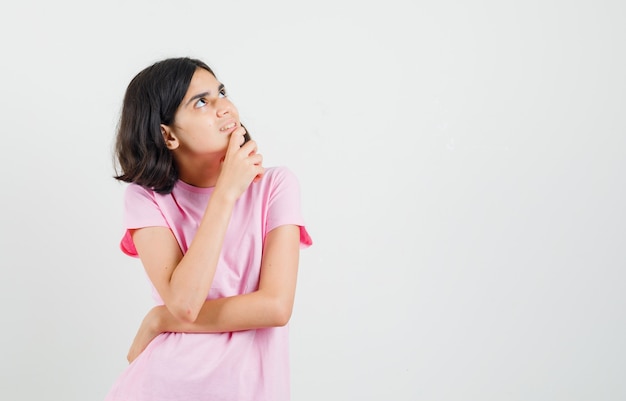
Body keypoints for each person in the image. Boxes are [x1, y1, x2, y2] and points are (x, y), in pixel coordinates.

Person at [104, 57, 313, 401]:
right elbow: (185, 303)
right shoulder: (145, 200)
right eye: (201, 101)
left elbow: (275, 307)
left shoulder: (276, 186)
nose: (225, 107)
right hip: (161, 386)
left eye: (221, 92)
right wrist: (226, 193)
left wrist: (159, 319)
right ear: (167, 134)